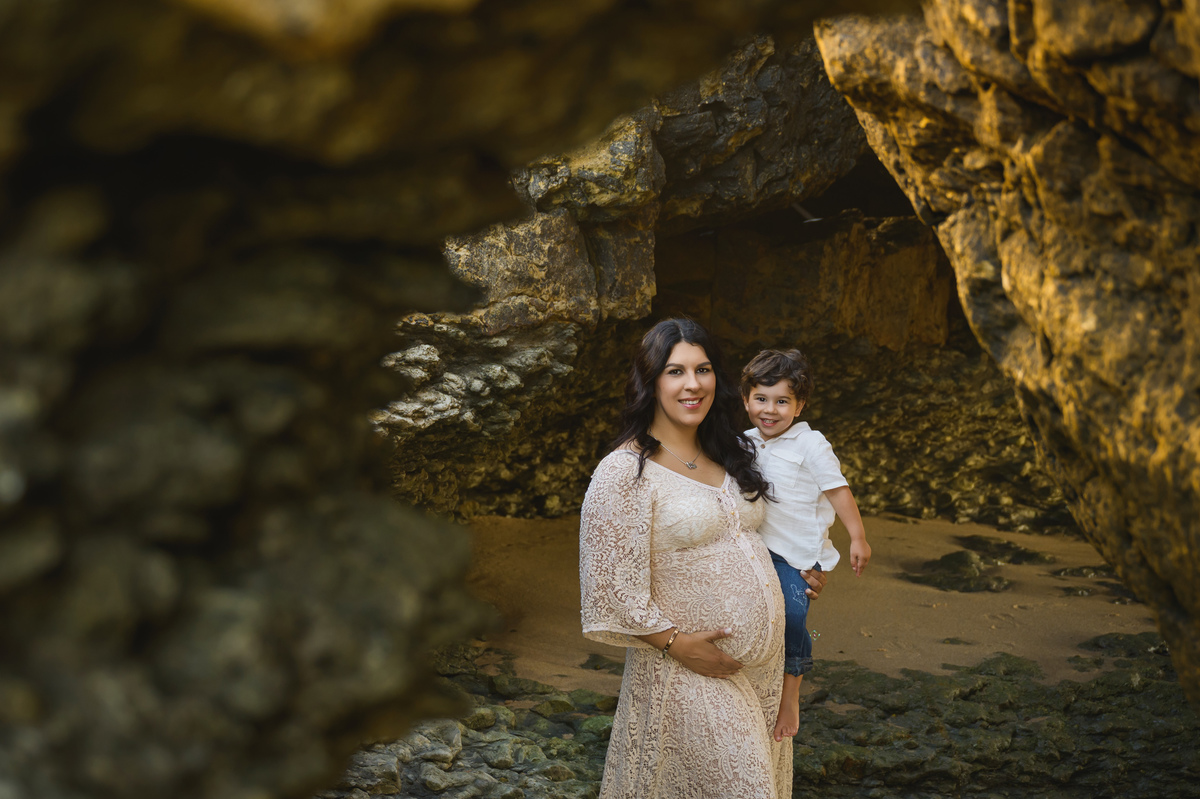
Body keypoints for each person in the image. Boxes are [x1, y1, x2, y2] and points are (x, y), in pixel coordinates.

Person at [579, 318, 827, 799]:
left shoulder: (736, 453)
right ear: (650, 381)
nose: (693, 384)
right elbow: (607, 584)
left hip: (764, 671)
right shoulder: (625, 471)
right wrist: (675, 643)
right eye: (676, 371)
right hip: (687, 669)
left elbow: (779, 531)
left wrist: (802, 573)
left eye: (703, 369)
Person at [740, 348, 870, 743]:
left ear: (799, 406)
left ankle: (791, 690)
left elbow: (837, 490)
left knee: (793, 618)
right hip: (754, 547)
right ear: (745, 400)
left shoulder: (811, 444)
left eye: (782, 401)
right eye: (761, 398)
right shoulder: (743, 442)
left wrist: (858, 537)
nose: (770, 410)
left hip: (796, 556)